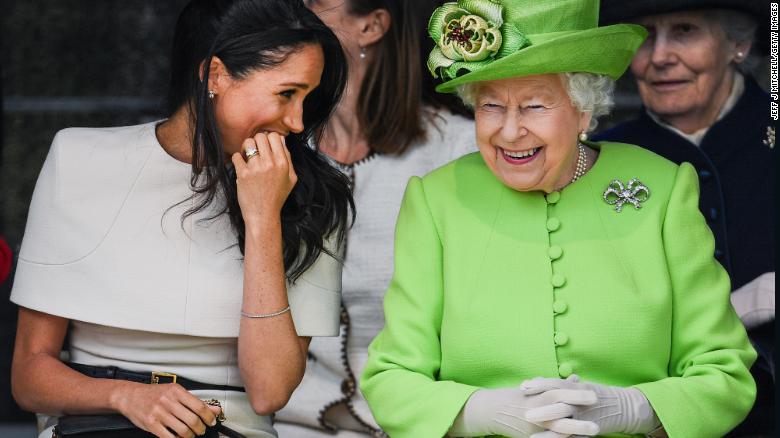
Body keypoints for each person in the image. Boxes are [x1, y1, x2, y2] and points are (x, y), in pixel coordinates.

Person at [360, 0, 757, 437]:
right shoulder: (437, 200)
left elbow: (725, 372)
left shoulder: (662, 188)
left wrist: (638, 409)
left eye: (533, 107)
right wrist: (478, 412)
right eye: (491, 106)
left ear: (583, 111)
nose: (509, 132)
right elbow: (390, 378)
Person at [10, 1, 352, 437]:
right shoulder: (79, 159)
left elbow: (269, 391)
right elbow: (29, 376)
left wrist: (264, 216)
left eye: (308, 97)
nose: (298, 121)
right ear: (215, 75)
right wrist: (124, 396)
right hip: (95, 424)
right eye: (286, 93)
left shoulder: (313, 193)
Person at [274, 1, 475, 436]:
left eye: (316, 3)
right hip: (289, 421)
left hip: (419, 420)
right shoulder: (278, 146)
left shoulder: (459, 151)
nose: (294, 11)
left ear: (372, 25)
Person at [595, 1, 773, 435]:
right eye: (645, 36)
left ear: (738, 43)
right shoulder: (598, 158)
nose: (659, 57)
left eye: (685, 31)